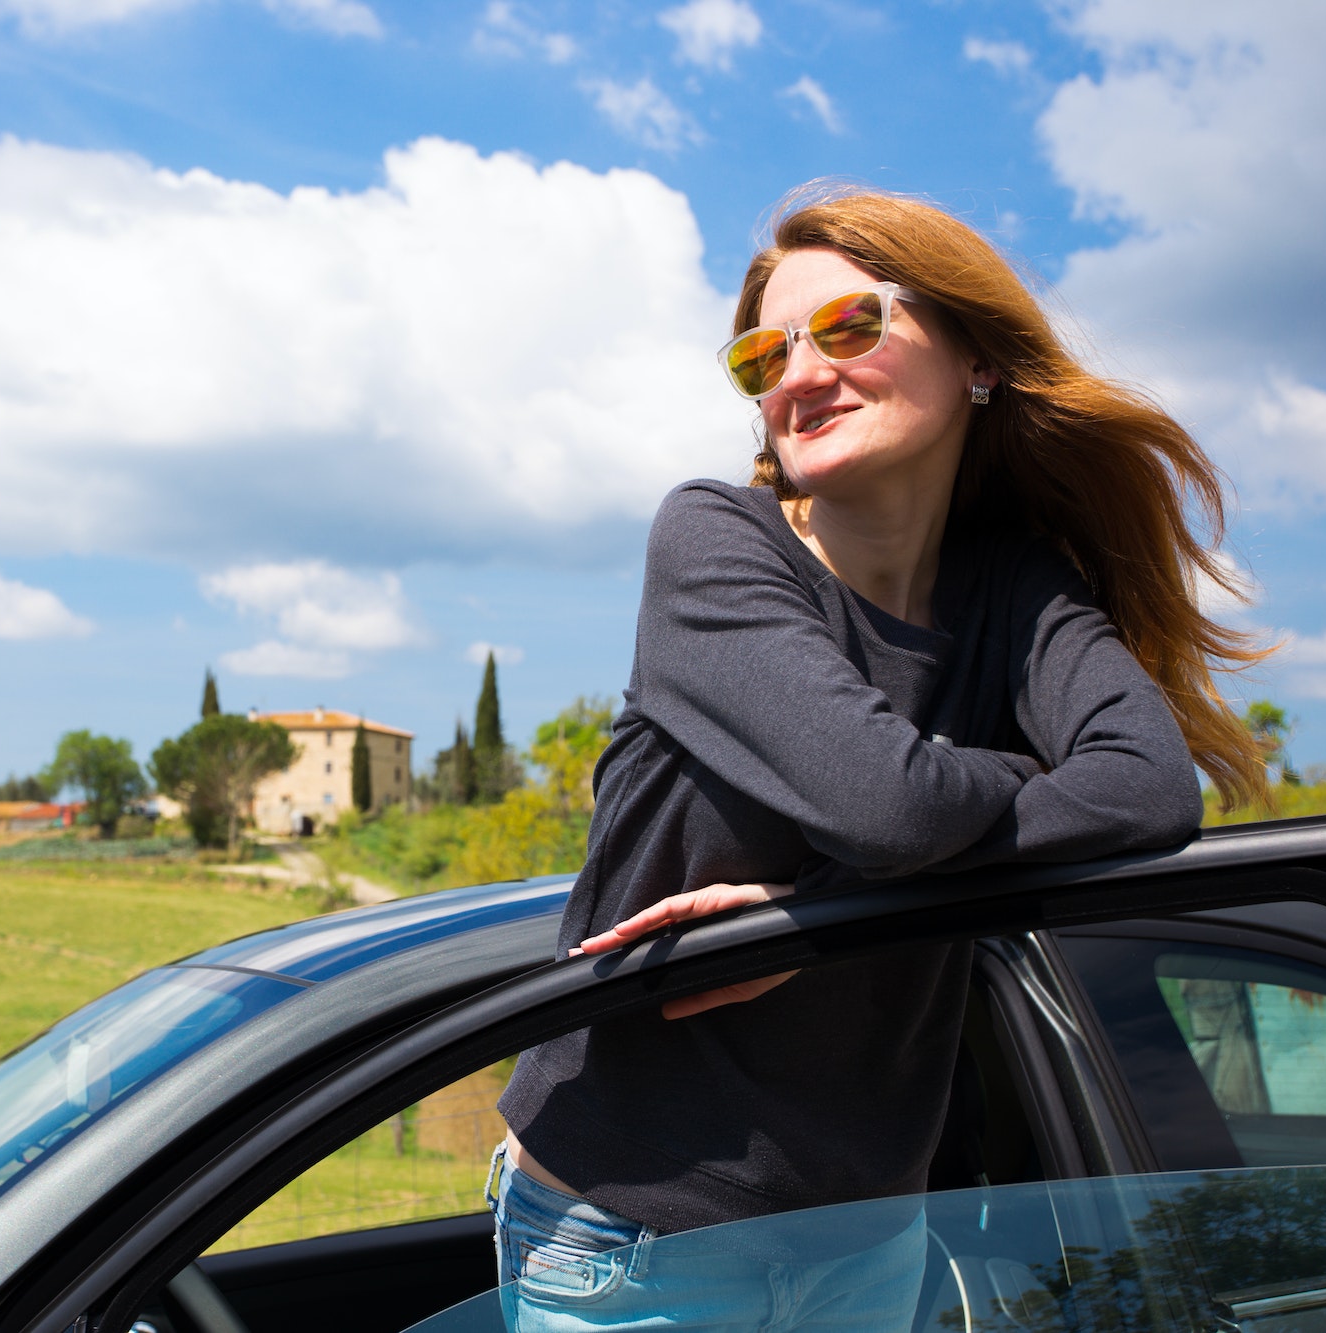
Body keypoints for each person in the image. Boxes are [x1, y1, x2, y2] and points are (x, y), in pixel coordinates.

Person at [490, 185, 1268, 1328]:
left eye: (851, 326)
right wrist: (1017, 777)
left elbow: (1150, 790)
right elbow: (892, 809)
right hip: (630, 1239)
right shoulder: (715, 541)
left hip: (867, 1237)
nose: (798, 375)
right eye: (762, 356)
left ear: (975, 360)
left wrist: (810, 913)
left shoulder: (1014, 584)